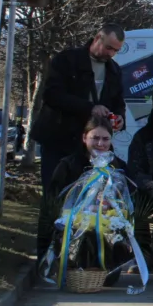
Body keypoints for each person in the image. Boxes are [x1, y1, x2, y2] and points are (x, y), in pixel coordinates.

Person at [31, 24, 127, 191]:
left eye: (116, 51)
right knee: (54, 192)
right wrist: (90, 108)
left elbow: (118, 102)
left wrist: (119, 117)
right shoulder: (67, 60)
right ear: (97, 38)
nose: (111, 54)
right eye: (108, 48)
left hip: (90, 146)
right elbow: (52, 95)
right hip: (59, 138)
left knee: (88, 196)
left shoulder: (114, 70)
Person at [39, 118, 128, 258]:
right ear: (84, 138)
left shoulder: (118, 168)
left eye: (105, 139)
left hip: (110, 236)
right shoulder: (67, 165)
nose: (100, 144)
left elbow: (127, 202)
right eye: (95, 138)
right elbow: (51, 204)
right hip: (71, 236)